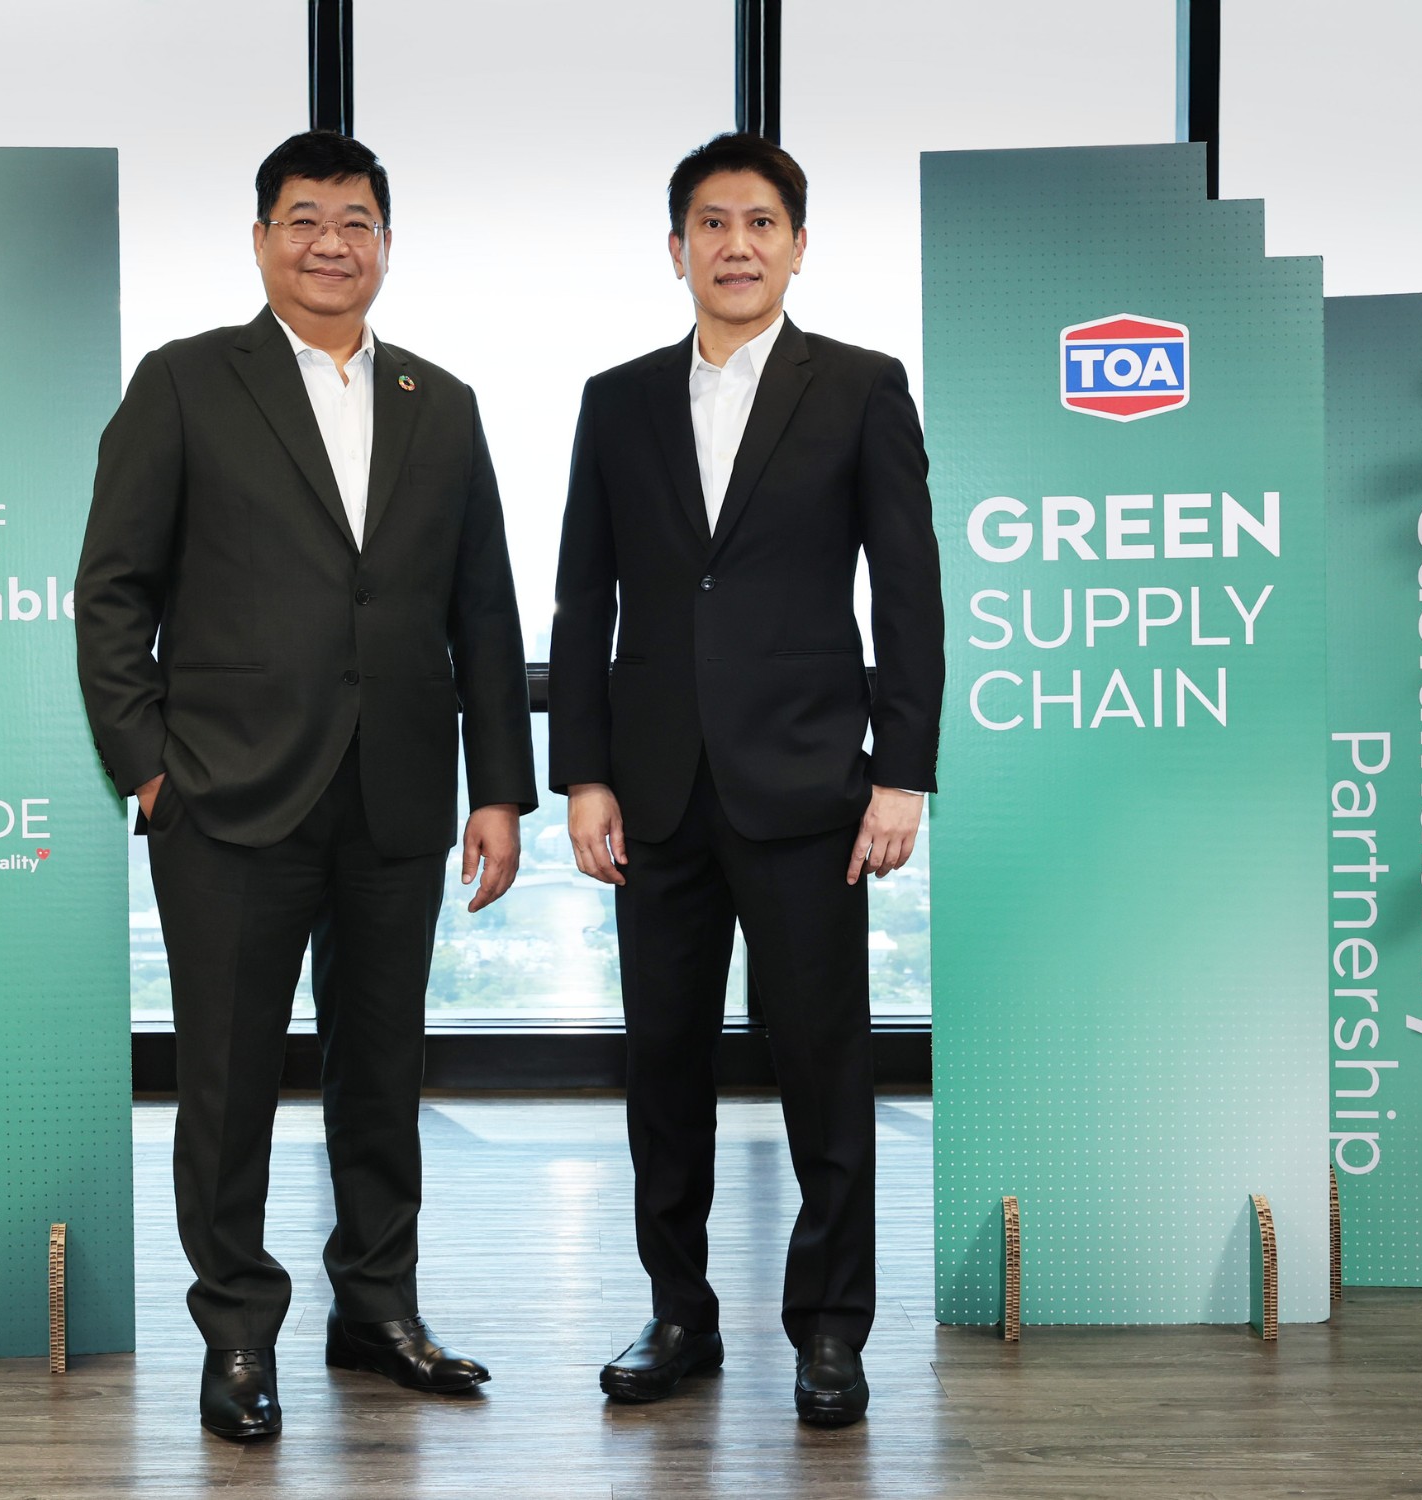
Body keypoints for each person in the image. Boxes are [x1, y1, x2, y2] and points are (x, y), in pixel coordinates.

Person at [75, 130, 535, 1442]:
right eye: (304, 218)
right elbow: (112, 591)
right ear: (262, 238)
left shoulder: (441, 401)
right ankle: (236, 1333)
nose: (331, 243)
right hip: (225, 797)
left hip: (396, 794)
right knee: (226, 1085)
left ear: (385, 242)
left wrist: (499, 790)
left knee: (381, 1071)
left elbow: (483, 609)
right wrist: (148, 771)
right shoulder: (183, 382)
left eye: (355, 221)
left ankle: (376, 1309)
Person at [549, 132, 944, 1426]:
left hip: (811, 787)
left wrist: (902, 773)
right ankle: (679, 1313)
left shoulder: (862, 388)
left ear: (797, 245)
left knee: (824, 1067)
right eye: (711, 223)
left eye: (760, 222)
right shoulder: (616, 401)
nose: (736, 244)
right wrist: (582, 774)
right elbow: (582, 597)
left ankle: (829, 1329)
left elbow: (909, 589)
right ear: (676, 249)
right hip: (655, 795)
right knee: (663, 1068)